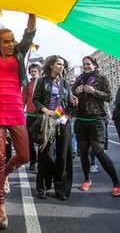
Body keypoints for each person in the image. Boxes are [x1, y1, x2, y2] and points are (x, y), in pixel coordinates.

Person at [0, 8, 36, 229]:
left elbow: (30, 32)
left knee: (24, 155)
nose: (11, 44)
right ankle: (0, 205)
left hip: (15, 110)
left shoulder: (20, 52)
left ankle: (7, 172)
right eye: (7, 41)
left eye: (12, 41)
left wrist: (33, 9)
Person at [71, 55, 120, 197]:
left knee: (99, 151)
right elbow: (71, 97)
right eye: (84, 64)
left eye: (88, 64)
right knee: (83, 152)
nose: (86, 66)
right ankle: (87, 179)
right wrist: (75, 94)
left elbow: (108, 97)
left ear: (95, 65)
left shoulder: (102, 78)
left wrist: (93, 91)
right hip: (81, 119)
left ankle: (117, 183)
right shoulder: (79, 80)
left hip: (96, 119)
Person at [32, 55, 76, 201]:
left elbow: (68, 104)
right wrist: (45, 111)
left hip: (63, 120)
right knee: (46, 155)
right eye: (59, 64)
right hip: (47, 120)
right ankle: (43, 187)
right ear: (51, 65)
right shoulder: (42, 81)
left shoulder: (65, 83)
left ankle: (61, 189)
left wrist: (73, 102)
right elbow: (36, 100)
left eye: (63, 64)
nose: (61, 66)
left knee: (63, 155)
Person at [23, 63, 41, 171]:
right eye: (31, 71)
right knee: (29, 140)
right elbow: (23, 100)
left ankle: (41, 162)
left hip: (40, 114)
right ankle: (33, 160)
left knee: (41, 140)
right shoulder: (27, 85)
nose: (33, 73)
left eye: (35, 71)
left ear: (39, 72)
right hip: (30, 115)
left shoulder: (43, 83)